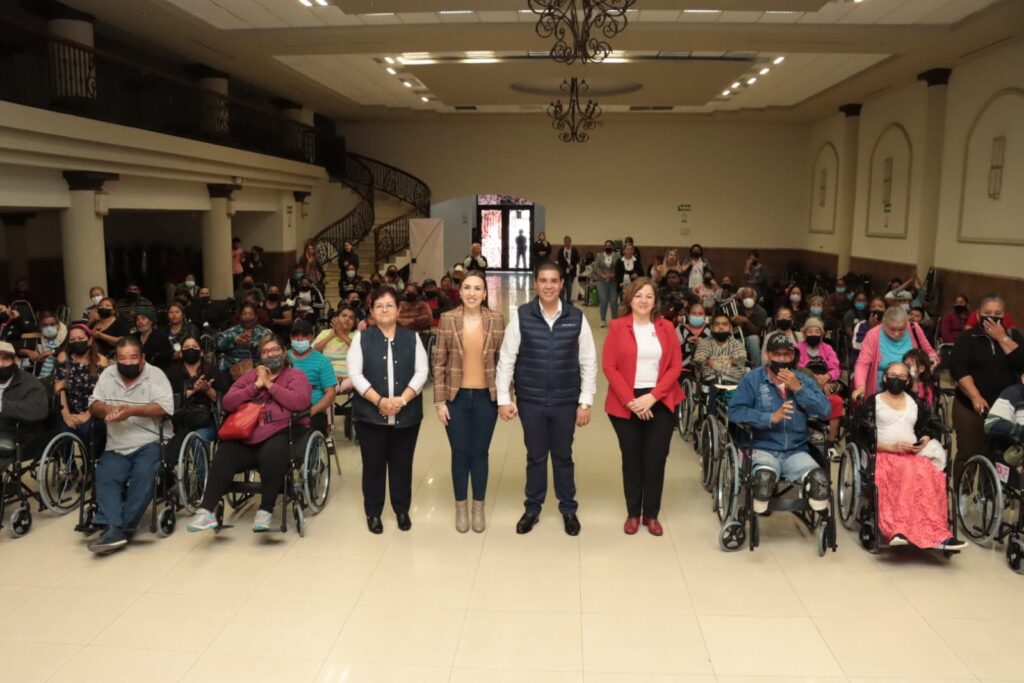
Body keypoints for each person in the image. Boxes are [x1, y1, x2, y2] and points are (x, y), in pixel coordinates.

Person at [496, 262, 597, 536]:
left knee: (563, 456)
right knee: (536, 456)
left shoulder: (576, 317)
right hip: (531, 401)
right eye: (543, 280)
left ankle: (568, 509)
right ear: (536, 283)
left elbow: (588, 361)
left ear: (562, 283)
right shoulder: (522, 316)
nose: (549, 286)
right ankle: (532, 508)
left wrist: (585, 402)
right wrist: (504, 398)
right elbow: (507, 358)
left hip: (566, 401)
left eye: (554, 281)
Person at [187, 336, 312, 533]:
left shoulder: (295, 375)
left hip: (280, 431)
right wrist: (256, 386)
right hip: (247, 432)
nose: (270, 354)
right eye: (265, 351)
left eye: (275, 350)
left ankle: (265, 510)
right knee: (225, 452)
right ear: (260, 356)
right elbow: (228, 402)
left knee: (274, 452)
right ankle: (206, 511)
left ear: (283, 352)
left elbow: (299, 402)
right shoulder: (251, 376)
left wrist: (270, 385)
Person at [603, 278, 683, 536]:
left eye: (649, 296)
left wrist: (653, 397)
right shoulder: (618, 326)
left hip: (661, 399)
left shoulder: (666, 327)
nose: (643, 300)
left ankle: (651, 514)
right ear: (629, 299)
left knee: (655, 459)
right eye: (638, 295)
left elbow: (676, 366)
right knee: (632, 459)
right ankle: (632, 514)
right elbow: (609, 366)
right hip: (625, 401)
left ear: (655, 301)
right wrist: (632, 401)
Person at [348, 287, 429, 534]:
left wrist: (402, 400)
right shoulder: (361, 338)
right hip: (369, 415)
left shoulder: (412, 337)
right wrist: (380, 401)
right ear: (371, 311)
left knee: (402, 464)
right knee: (373, 465)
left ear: (398, 309)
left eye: (389, 305)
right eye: (379, 306)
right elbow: (355, 374)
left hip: (407, 414)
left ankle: (401, 510)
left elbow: (422, 372)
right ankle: (373, 513)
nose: (384, 310)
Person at [862, 361, 965, 551]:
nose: (897, 379)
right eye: (893, 375)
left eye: (902, 376)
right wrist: (891, 447)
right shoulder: (873, 401)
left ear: (908, 380)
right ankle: (898, 529)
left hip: (911, 455)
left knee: (929, 474)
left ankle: (938, 533)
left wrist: (925, 439)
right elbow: (861, 437)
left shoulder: (915, 402)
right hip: (883, 454)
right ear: (885, 377)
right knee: (907, 472)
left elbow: (929, 426)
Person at [87, 336, 174, 553]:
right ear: (116, 359)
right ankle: (115, 528)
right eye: (123, 358)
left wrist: (132, 411)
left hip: (150, 440)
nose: (128, 362)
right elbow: (93, 404)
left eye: (133, 357)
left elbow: (165, 408)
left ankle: (117, 529)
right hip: (117, 443)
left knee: (144, 475)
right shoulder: (108, 375)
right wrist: (107, 410)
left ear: (142, 358)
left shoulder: (156, 375)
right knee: (106, 476)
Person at [728, 333, 832, 514]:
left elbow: (825, 410)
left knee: (819, 481)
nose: (782, 359)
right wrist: (769, 418)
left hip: (796, 450)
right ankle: (762, 492)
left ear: (793, 356)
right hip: (762, 448)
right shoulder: (753, 379)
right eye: (777, 354)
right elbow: (735, 410)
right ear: (768, 355)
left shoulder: (803, 380)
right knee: (764, 480)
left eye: (786, 355)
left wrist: (799, 389)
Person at [433, 271, 505, 533]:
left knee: (480, 453)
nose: (472, 293)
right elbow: (439, 362)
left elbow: (504, 361)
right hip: (456, 398)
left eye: (477, 288)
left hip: (487, 398)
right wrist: (440, 402)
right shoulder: (448, 319)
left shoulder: (496, 319)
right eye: (467, 288)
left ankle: (478, 508)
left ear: (485, 294)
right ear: (460, 292)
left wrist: (506, 397)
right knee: (460, 453)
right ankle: (461, 508)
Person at [949, 295, 1024, 479]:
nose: (992, 317)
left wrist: (1002, 338)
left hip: (1006, 409)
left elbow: (1021, 363)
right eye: (987, 313)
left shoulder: (1014, 336)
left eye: (997, 314)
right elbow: (959, 370)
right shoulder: (968, 338)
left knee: (1000, 458)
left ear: (1004, 316)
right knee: (969, 452)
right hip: (971, 406)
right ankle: (963, 491)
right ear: (978, 314)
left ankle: (990, 493)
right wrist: (975, 395)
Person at [852, 306, 939, 401]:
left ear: (906, 323)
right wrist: (860, 386)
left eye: (901, 329)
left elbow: (929, 351)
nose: (897, 333)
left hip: (911, 390)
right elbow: (862, 364)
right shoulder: (873, 335)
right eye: (892, 329)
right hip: (880, 391)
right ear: (883, 324)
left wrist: (932, 358)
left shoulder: (913, 328)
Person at [164, 335, 227, 449]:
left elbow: (224, 400)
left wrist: (208, 390)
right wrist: (192, 390)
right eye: (186, 347)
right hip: (179, 423)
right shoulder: (171, 373)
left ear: (201, 352)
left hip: (206, 423)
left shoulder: (212, 371)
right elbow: (167, 401)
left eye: (194, 347)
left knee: (197, 441)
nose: (190, 349)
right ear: (181, 353)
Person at [55, 324, 108, 449]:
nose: (77, 342)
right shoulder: (63, 357)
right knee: (62, 432)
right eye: (73, 340)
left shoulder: (101, 360)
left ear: (89, 340)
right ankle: (68, 463)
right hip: (67, 409)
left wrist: (87, 415)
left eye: (80, 338)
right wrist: (66, 415)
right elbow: (59, 389)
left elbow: (103, 392)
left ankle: (90, 460)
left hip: (93, 410)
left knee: (89, 431)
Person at [287, 319, 337, 436]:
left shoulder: (322, 361)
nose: (300, 339)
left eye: (304, 335)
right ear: (290, 338)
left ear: (312, 337)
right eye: (296, 335)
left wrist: (310, 412)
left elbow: (330, 394)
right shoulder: (284, 358)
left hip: (314, 411)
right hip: (286, 409)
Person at [797, 317, 843, 438]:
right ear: (805, 333)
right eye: (810, 331)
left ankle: (831, 440)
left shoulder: (827, 348)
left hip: (826, 384)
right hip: (805, 385)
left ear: (821, 334)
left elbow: (836, 368)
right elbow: (797, 370)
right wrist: (816, 381)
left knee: (837, 401)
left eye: (817, 331)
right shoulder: (798, 348)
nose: (813, 334)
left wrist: (827, 377)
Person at [216, 303, 272, 374]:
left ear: (256, 317)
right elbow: (219, 345)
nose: (247, 317)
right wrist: (234, 341)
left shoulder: (265, 332)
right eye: (244, 314)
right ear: (240, 317)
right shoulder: (231, 331)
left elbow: (271, 349)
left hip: (257, 370)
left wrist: (251, 345)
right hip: (231, 369)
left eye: (250, 314)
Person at [693, 313, 747, 386]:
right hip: (711, 383)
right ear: (711, 327)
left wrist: (712, 363)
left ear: (730, 328)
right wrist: (729, 362)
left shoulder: (737, 344)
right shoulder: (704, 343)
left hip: (734, 383)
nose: (721, 327)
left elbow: (740, 360)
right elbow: (700, 359)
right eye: (717, 324)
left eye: (725, 324)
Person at [314, 306, 358, 395]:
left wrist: (341, 333)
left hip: (350, 378)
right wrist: (330, 336)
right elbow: (313, 351)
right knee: (330, 386)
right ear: (336, 318)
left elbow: (360, 350)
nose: (347, 319)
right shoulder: (325, 333)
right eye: (344, 316)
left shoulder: (357, 334)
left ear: (354, 323)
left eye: (351, 318)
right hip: (328, 376)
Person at [21, 309, 65, 379]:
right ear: (40, 327)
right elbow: (14, 348)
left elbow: (68, 349)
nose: (49, 328)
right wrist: (28, 352)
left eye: (52, 324)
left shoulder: (64, 339)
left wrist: (53, 351)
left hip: (57, 379)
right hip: (38, 379)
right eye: (45, 325)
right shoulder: (36, 339)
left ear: (58, 325)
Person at [732, 287, 767, 368]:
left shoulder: (761, 311)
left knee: (754, 338)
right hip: (735, 338)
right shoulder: (735, 308)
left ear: (755, 298)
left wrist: (746, 321)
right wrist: (731, 319)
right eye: (745, 297)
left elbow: (756, 332)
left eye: (750, 296)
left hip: (750, 339)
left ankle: (756, 369)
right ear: (741, 298)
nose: (748, 299)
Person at [592, 239, 620, 328]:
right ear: (604, 247)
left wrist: (613, 275)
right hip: (602, 281)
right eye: (606, 245)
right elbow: (596, 267)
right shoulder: (599, 256)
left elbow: (620, 268)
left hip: (613, 281)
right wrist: (602, 275)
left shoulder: (618, 256)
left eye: (609, 245)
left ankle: (614, 320)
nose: (608, 246)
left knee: (613, 301)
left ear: (613, 247)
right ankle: (603, 320)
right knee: (603, 300)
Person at [555, 236, 581, 305]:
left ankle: (568, 300)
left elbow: (577, 259)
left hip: (571, 271)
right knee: (562, 286)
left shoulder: (574, 250)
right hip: (563, 271)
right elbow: (559, 260)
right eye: (566, 242)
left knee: (569, 286)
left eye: (568, 242)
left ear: (570, 242)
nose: (567, 243)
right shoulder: (561, 250)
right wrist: (566, 266)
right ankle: (561, 300)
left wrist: (573, 265)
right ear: (564, 243)